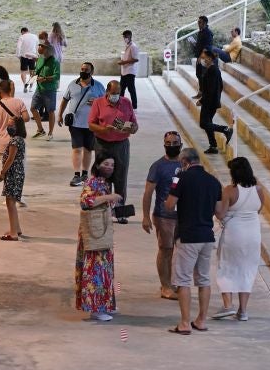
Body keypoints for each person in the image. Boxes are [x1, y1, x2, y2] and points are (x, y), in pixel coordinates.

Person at [164, 147, 222, 335]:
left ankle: (185, 323)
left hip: (188, 236)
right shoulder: (214, 181)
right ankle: (202, 321)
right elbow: (220, 212)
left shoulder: (181, 178)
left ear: (184, 162)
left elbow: (170, 206)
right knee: (204, 279)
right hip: (207, 236)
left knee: (183, 280)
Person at [212, 157, 264, 321]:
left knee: (227, 266)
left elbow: (220, 214)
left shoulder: (230, 190)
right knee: (247, 269)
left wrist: (214, 204)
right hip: (253, 233)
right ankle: (243, 311)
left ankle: (228, 305)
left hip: (234, 233)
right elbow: (259, 209)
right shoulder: (259, 189)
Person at [75, 154, 121, 321]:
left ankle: (105, 304)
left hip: (102, 231)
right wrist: (109, 197)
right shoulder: (92, 181)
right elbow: (85, 201)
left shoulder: (104, 183)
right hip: (94, 233)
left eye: (112, 165)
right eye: (106, 163)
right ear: (98, 164)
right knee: (95, 269)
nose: (109, 167)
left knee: (105, 269)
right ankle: (96, 308)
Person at [87, 80, 138, 223]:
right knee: (104, 178)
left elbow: (134, 123)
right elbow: (91, 124)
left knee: (121, 177)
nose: (116, 95)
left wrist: (132, 128)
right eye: (113, 93)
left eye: (118, 93)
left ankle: (121, 212)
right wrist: (104, 129)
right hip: (103, 144)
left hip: (121, 145)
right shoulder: (98, 103)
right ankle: (105, 211)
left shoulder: (126, 103)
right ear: (107, 92)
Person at [141, 131, 183, 300]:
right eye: (168, 142)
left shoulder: (186, 163)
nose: (171, 146)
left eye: (175, 143)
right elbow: (148, 192)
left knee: (179, 252)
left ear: (181, 144)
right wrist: (145, 216)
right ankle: (165, 286)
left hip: (183, 215)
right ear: (164, 144)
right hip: (164, 216)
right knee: (165, 250)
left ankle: (173, 282)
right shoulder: (158, 166)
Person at [58, 62, 105, 186]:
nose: (83, 71)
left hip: (92, 124)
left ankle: (85, 174)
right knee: (77, 149)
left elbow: (106, 104)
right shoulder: (72, 84)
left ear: (92, 72)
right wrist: (59, 115)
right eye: (82, 69)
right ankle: (76, 175)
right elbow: (65, 100)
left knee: (88, 149)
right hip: (75, 123)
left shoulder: (99, 86)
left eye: (86, 69)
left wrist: (97, 101)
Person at [196, 48, 233, 154]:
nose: (202, 60)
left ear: (209, 58)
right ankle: (213, 145)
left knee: (204, 124)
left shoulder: (213, 70)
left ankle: (225, 129)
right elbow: (220, 86)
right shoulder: (213, 70)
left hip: (209, 102)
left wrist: (202, 101)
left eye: (204, 58)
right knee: (208, 123)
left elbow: (210, 90)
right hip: (212, 101)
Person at [0, 116, 26, 241]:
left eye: (11, 125)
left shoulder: (15, 141)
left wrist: (2, 172)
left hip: (13, 173)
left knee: (10, 202)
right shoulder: (19, 139)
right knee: (12, 201)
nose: (9, 127)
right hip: (17, 172)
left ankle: (13, 233)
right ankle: (16, 228)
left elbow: (10, 159)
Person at [0, 79, 29, 161]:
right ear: (10, 90)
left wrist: (1, 127)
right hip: (17, 143)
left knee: (4, 169)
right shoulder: (19, 102)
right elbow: (26, 118)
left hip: (2, 146)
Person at [30, 41, 61, 140]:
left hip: (50, 90)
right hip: (39, 89)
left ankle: (50, 133)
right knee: (33, 108)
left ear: (48, 49)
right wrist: (34, 74)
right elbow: (37, 70)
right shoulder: (39, 59)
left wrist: (45, 78)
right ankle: (40, 130)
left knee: (50, 111)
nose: (39, 47)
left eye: (42, 46)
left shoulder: (55, 61)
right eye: (39, 45)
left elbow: (57, 76)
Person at [191, 15, 213, 99]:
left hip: (205, 58)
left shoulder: (208, 33)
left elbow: (207, 47)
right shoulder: (201, 32)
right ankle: (201, 92)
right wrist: (194, 44)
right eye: (198, 22)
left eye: (199, 22)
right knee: (199, 75)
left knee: (204, 76)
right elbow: (201, 44)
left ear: (204, 23)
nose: (198, 24)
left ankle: (205, 94)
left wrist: (200, 57)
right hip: (200, 57)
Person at [118, 30, 140, 109]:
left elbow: (136, 59)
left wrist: (124, 62)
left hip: (130, 72)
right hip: (124, 71)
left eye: (126, 37)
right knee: (121, 89)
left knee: (131, 89)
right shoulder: (128, 46)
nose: (125, 38)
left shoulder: (133, 46)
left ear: (130, 36)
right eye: (124, 37)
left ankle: (134, 106)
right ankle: (119, 105)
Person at [16, 27, 39, 92]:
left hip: (24, 56)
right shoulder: (35, 36)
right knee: (33, 72)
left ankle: (24, 85)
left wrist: (18, 56)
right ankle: (31, 87)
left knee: (23, 72)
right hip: (33, 56)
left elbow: (18, 47)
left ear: (22, 31)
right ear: (28, 31)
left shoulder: (22, 37)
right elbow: (37, 46)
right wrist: (37, 55)